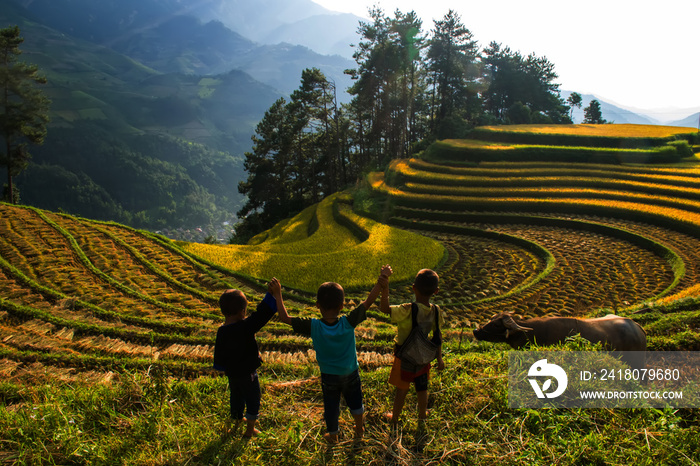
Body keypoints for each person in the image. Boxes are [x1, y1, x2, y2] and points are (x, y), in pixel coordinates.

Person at [276, 266, 392, 444]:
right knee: (356, 402)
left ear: (318, 305)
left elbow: (285, 318)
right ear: (342, 305)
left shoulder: (314, 326)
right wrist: (381, 280)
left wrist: (278, 294)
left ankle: (333, 435)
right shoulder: (348, 322)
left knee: (331, 407)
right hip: (350, 373)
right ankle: (359, 428)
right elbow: (368, 302)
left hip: (329, 376)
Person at [213, 279, 282, 438]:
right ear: (242, 312)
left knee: (236, 397)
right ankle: (250, 430)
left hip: (232, 374)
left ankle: (236, 423)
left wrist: (221, 368)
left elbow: (219, 354)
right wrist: (272, 294)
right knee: (253, 398)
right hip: (248, 374)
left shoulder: (221, 331)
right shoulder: (245, 327)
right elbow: (261, 315)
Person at [380, 268, 445, 432]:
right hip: (424, 358)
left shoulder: (408, 309)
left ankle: (394, 418)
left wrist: (385, 287)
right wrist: (439, 359)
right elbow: (438, 337)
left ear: (413, 287)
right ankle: (422, 415)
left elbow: (385, 308)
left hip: (405, 358)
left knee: (402, 389)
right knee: (422, 388)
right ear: (436, 291)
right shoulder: (436, 311)